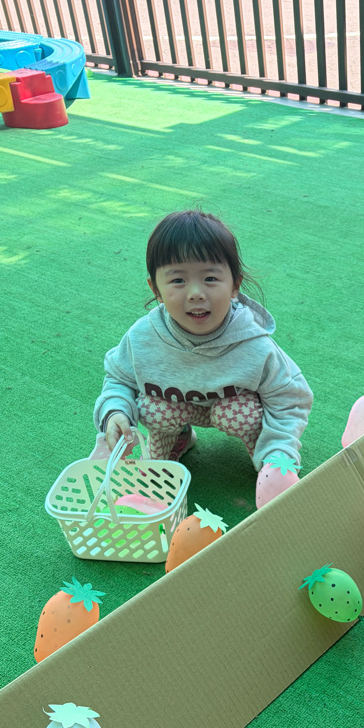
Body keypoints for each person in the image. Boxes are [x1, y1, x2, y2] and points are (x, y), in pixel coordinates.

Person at [92, 209, 313, 507]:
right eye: (178, 280)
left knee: (240, 412)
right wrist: (115, 412)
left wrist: (279, 453)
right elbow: (119, 379)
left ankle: (263, 456)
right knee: (151, 408)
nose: (196, 293)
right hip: (174, 406)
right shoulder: (142, 337)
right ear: (155, 289)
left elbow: (290, 398)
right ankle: (177, 440)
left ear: (235, 285)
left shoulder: (254, 344)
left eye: (210, 278)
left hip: (234, 408)